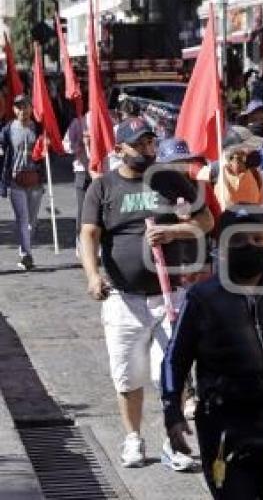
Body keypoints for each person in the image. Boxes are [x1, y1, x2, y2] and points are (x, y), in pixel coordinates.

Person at [79, 117, 214, 469]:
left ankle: (176, 443)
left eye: (150, 142)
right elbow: (89, 234)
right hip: (124, 300)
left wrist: (175, 232)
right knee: (127, 375)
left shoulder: (171, 180)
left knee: (171, 372)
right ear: (118, 149)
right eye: (138, 144)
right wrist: (93, 276)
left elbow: (206, 222)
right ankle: (133, 438)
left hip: (171, 297)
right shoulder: (103, 188)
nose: (146, 149)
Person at [162, 207, 263, 499]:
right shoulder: (202, 298)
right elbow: (175, 358)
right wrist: (172, 410)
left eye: (257, 239)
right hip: (226, 427)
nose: (249, 247)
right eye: (239, 240)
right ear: (222, 247)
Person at [0, 94, 45, 270]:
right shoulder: (7, 129)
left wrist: (47, 148)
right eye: (19, 107)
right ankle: (26, 254)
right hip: (16, 180)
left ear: (31, 108)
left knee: (31, 221)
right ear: (14, 109)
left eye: (25, 106)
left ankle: (25, 248)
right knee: (22, 218)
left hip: (35, 179)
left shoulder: (39, 128)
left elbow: (49, 154)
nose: (22, 110)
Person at [214, 126, 263, 210]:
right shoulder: (215, 173)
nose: (254, 150)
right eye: (249, 147)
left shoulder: (256, 175)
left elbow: (262, 207)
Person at [63, 110, 91, 257]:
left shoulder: (106, 119)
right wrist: (79, 145)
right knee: (82, 209)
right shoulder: (77, 122)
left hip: (100, 170)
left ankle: (97, 244)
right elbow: (66, 145)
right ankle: (80, 244)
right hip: (81, 170)